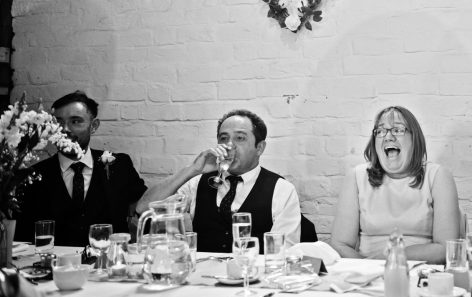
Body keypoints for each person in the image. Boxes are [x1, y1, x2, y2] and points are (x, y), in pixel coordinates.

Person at [137, 109, 301, 253]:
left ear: (259, 148)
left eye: (240, 138)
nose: (229, 145)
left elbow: (285, 252)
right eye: (223, 138)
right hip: (201, 281)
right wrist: (192, 170)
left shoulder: (281, 189)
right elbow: (143, 208)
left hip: (252, 279)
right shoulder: (197, 182)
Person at [330, 106, 460, 264]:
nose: (388, 136)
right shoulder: (357, 177)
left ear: (415, 139)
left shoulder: (438, 176)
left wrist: (393, 258)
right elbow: (340, 245)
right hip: (366, 274)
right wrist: (370, 270)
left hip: (422, 274)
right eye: (380, 131)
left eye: (398, 130)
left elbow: (446, 248)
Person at [16, 91, 147, 247]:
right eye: (58, 122)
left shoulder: (120, 166)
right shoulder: (33, 175)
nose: (65, 129)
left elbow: (146, 207)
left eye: (75, 121)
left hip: (109, 263)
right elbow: (22, 238)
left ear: (94, 126)